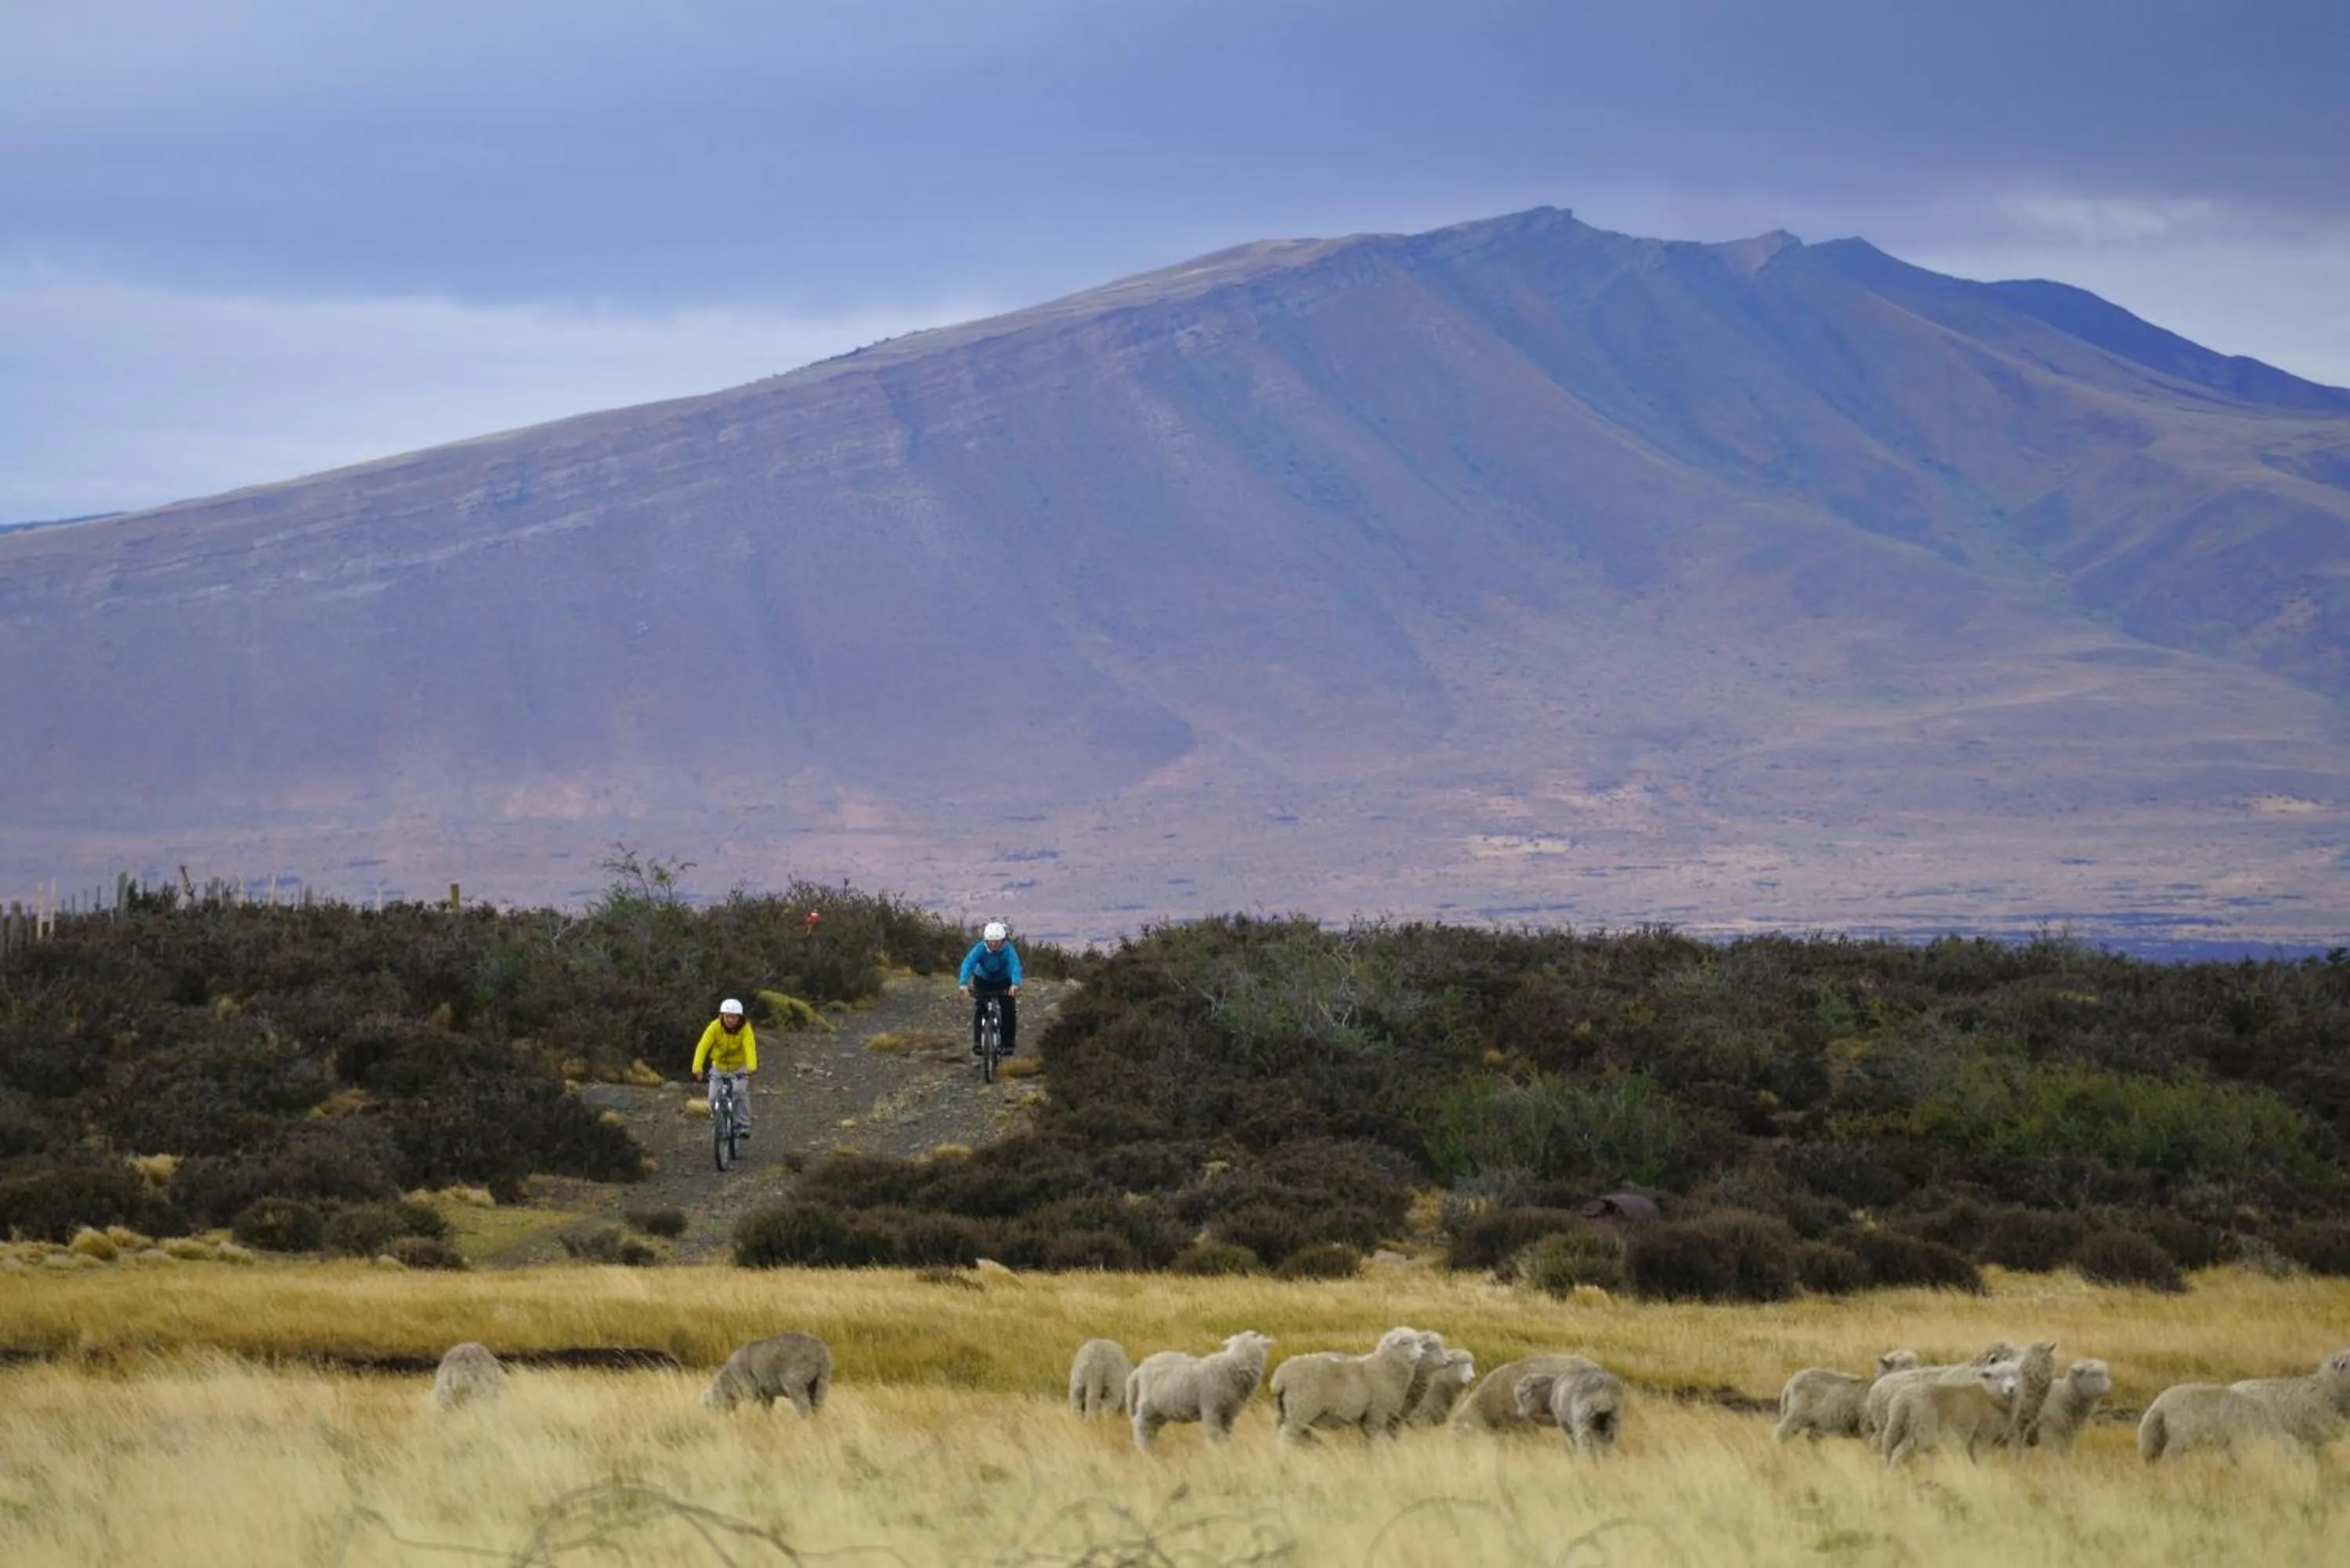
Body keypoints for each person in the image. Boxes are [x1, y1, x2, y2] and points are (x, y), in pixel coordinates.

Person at [691, 997, 758, 1136]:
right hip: (719, 1066)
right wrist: (697, 1067)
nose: (730, 1020)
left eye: (733, 1017)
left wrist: (751, 1067)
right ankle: (718, 1121)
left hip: (739, 1066)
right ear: (722, 1016)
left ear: (739, 1017)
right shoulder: (714, 1027)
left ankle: (743, 1125)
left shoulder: (745, 1028)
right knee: (712, 1097)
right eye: (727, 1016)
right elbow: (703, 1046)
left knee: (739, 1092)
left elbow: (749, 1047)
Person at [959, 920, 1022, 1058]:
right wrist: (963, 983)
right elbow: (968, 964)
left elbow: (1015, 966)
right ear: (986, 941)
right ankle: (977, 1043)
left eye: (997, 941)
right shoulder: (980, 949)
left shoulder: (1008, 950)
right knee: (981, 1009)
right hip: (983, 981)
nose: (994, 944)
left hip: (1003, 982)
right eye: (991, 941)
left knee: (1009, 1010)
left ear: (1003, 941)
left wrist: (1015, 984)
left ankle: (1007, 1044)